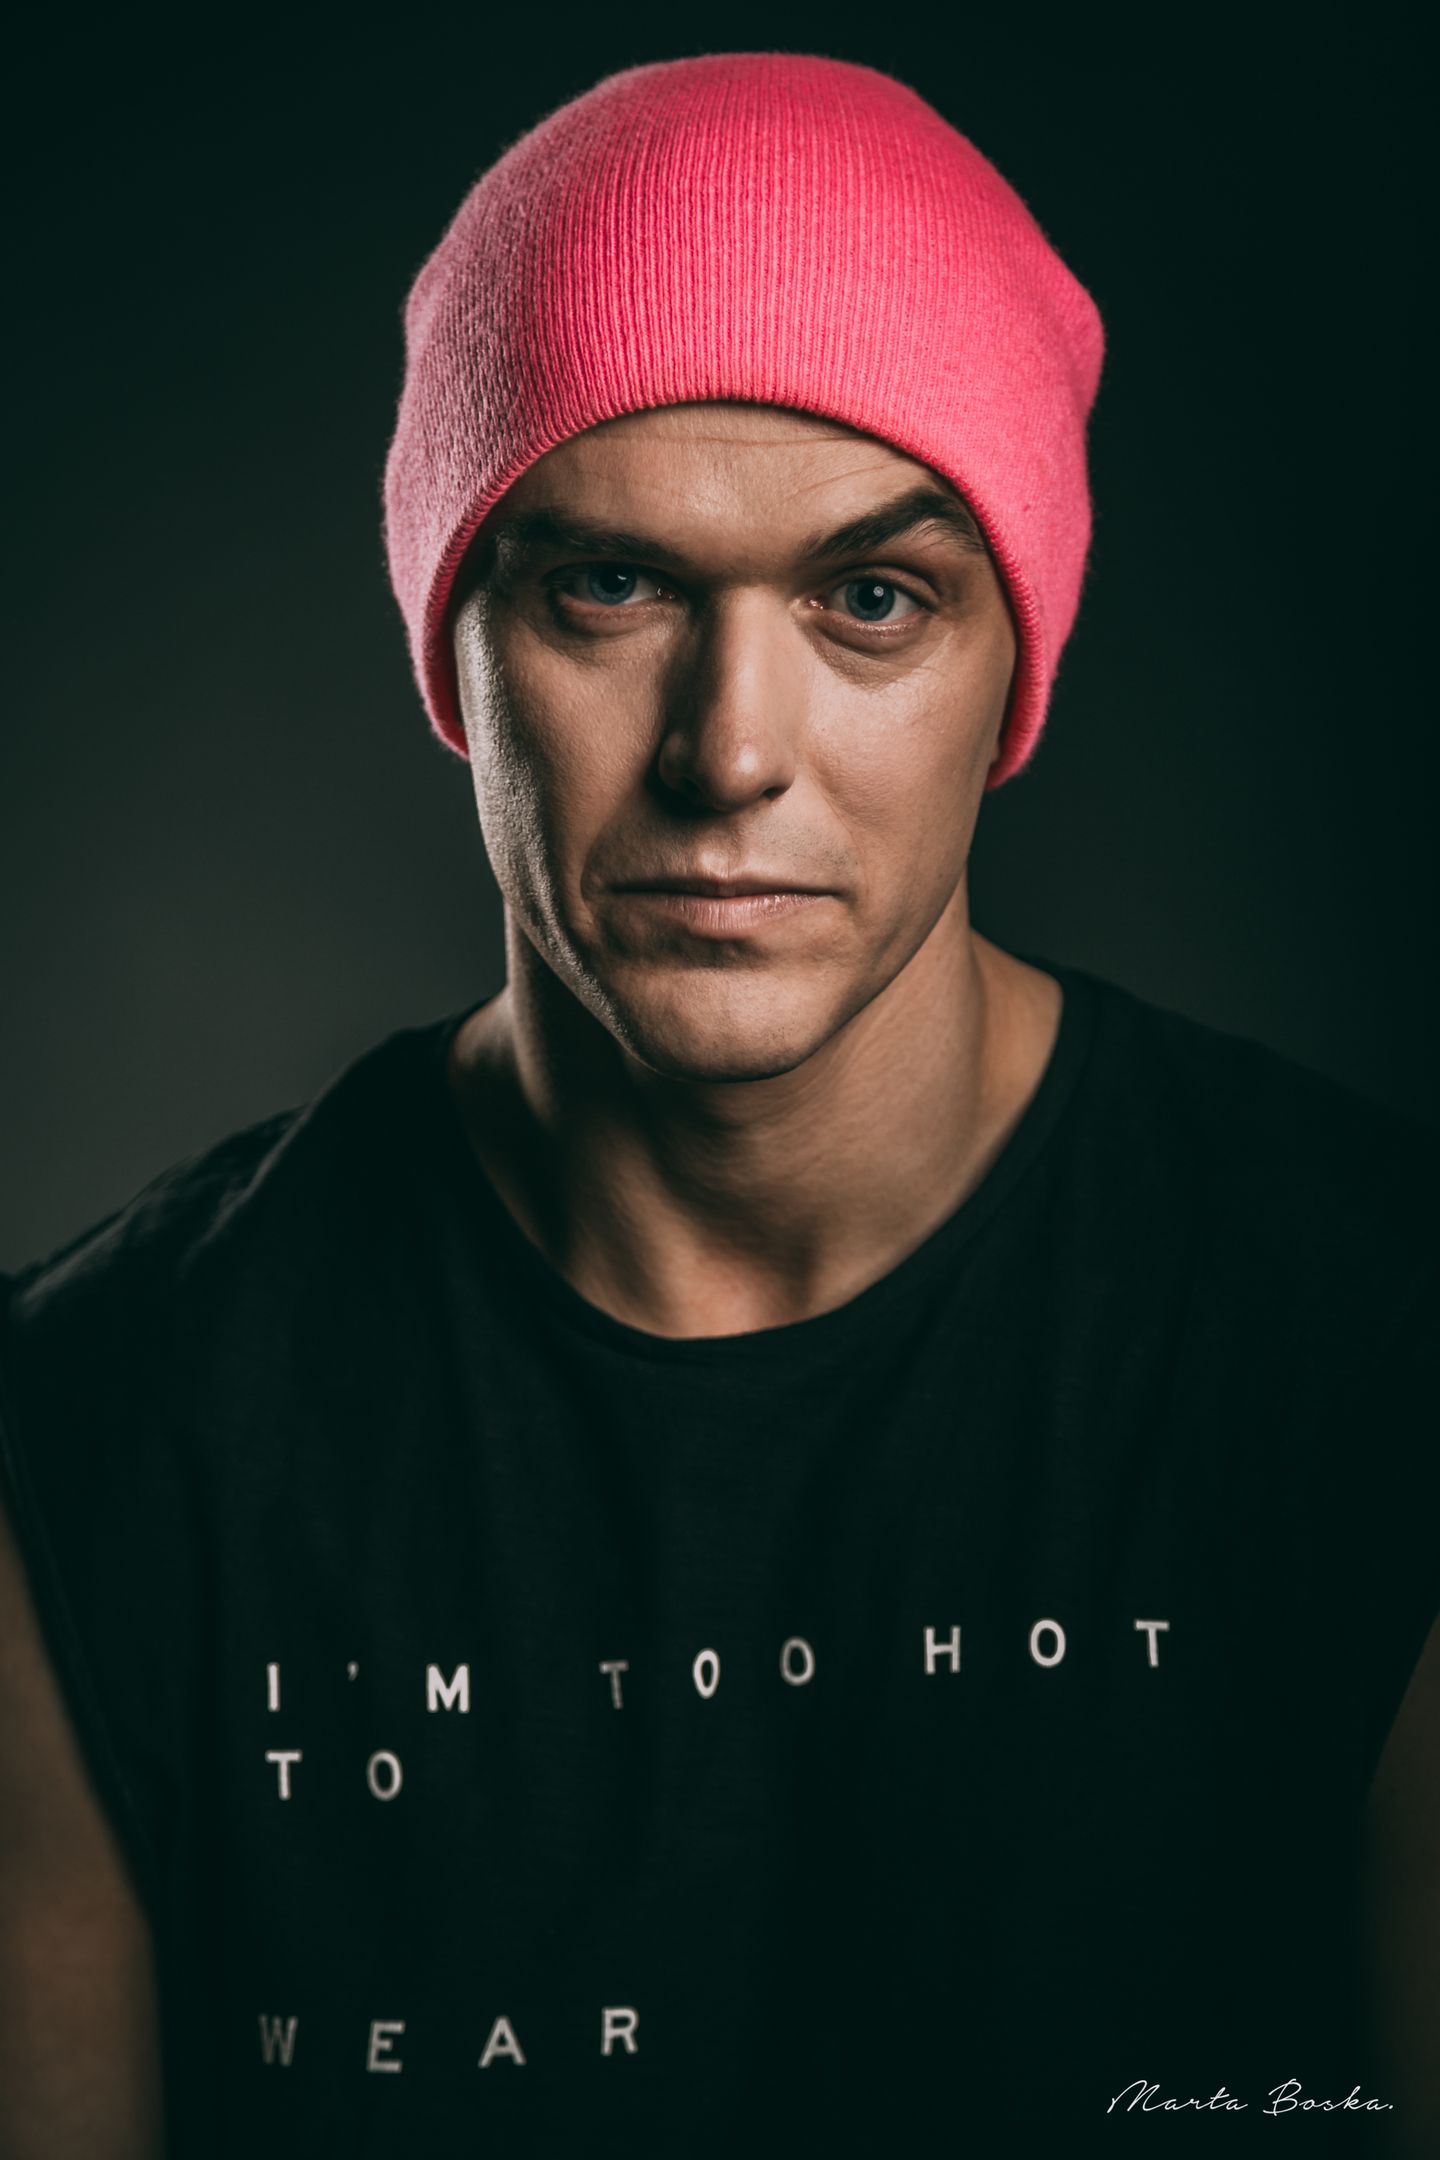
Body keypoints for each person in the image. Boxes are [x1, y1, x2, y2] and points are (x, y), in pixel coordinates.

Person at [0, 48, 1434, 2160]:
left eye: (871, 599)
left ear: (1014, 664)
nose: (730, 750)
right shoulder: (92, 1444)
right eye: (611, 585)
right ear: (454, 642)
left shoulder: (1374, 1343)